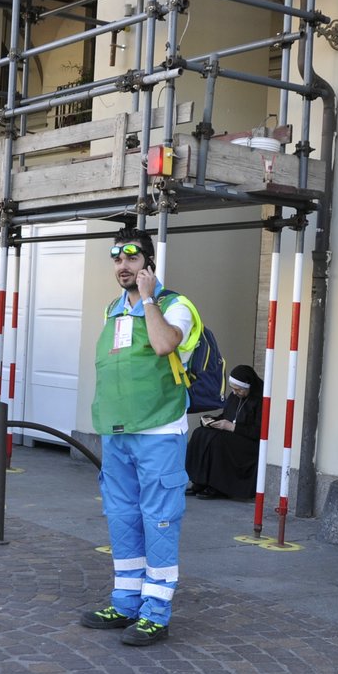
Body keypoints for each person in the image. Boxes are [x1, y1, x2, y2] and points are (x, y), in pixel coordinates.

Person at [78, 240, 197, 647]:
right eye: (118, 260)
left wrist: (148, 300)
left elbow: (166, 344)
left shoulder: (175, 304)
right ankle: (126, 602)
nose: (123, 266)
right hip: (119, 432)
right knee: (122, 516)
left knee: (159, 518)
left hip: (159, 431)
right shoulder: (112, 310)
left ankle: (156, 612)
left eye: (131, 258)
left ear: (149, 262)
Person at [184, 364, 264, 499]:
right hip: (232, 435)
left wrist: (232, 428)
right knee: (200, 433)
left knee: (218, 441)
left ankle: (216, 486)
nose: (234, 393)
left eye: (238, 390)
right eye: (233, 389)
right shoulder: (235, 396)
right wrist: (211, 421)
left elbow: (258, 431)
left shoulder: (260, 400)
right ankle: (199, 482)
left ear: (248, 386)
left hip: (249, 443)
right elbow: (227, 416)